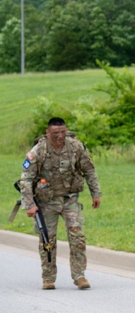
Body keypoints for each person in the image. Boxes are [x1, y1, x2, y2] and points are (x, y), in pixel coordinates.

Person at [18, 117, 102, 290]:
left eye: (63, 132)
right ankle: (48, 278)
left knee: (77, 235)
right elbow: (26, 179)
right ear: (48, 133)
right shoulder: (38, 151)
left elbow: (89, 170)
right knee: (47, 240)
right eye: (55, 133)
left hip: (69, 199)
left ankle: (79, 275)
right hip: (46, 202)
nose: (60, 136)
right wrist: (30, 204)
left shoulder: (75, 147)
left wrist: (96, 193)